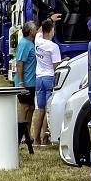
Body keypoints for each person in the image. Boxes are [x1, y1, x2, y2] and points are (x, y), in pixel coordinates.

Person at [33, 17, 64, 147]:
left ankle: (36, 140)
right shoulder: (53, 46)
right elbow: (56, 66)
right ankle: (45, 138)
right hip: (49, 78)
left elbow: (40, 30)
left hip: (39, 78)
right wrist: (65, 61)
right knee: (48, 109)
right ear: (51, 31)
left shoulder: (38, 40)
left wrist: (50, 19)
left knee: (40, 109)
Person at [14, 22, 38, 153]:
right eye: (34, 29)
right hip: (25, 83)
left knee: (31, 107)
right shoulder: (24, 44)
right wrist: (21, 83)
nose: (36, 30)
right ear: (30, 31)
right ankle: (19, 136)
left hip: (31, 82)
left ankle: (27, 134)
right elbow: (19, 63)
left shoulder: (30, 43)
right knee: (24, 108)